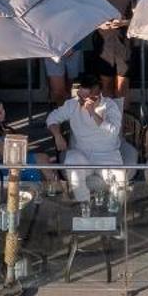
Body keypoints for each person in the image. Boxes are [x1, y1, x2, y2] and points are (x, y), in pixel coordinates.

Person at [46, 74, 128, 202]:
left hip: (107, 155)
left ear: (98, 94)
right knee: (72, 160)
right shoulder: (72, 104)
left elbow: (113, 131)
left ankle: (118, 213)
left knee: (119, 184)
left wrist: (93, 113)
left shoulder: (110, 106)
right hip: (82, 153)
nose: (83, 101)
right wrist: (57, 135)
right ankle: (84, 206)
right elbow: (52, 118)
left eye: (88, 98)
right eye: (81, 96)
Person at [91, 0, 138, 98]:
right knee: (106, 84)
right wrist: (100, 24)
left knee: (122, 86)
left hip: (123, 44)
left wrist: (124, 23)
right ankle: (108, 117)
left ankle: (123, 117)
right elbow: (90, 18)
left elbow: (138, 18)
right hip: (104, 46)